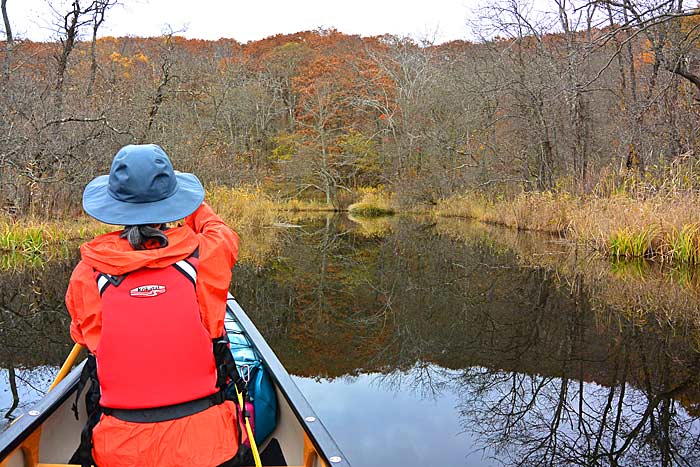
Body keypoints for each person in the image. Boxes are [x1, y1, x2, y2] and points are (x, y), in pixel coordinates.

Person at [65, 144, 241, 467]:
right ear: (172, 204)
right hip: (209, 450)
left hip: (120, 454)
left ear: (114, 207)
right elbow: (223, 233)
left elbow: (83, 336)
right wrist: (191, 205)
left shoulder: (86, 276)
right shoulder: (208, 256)